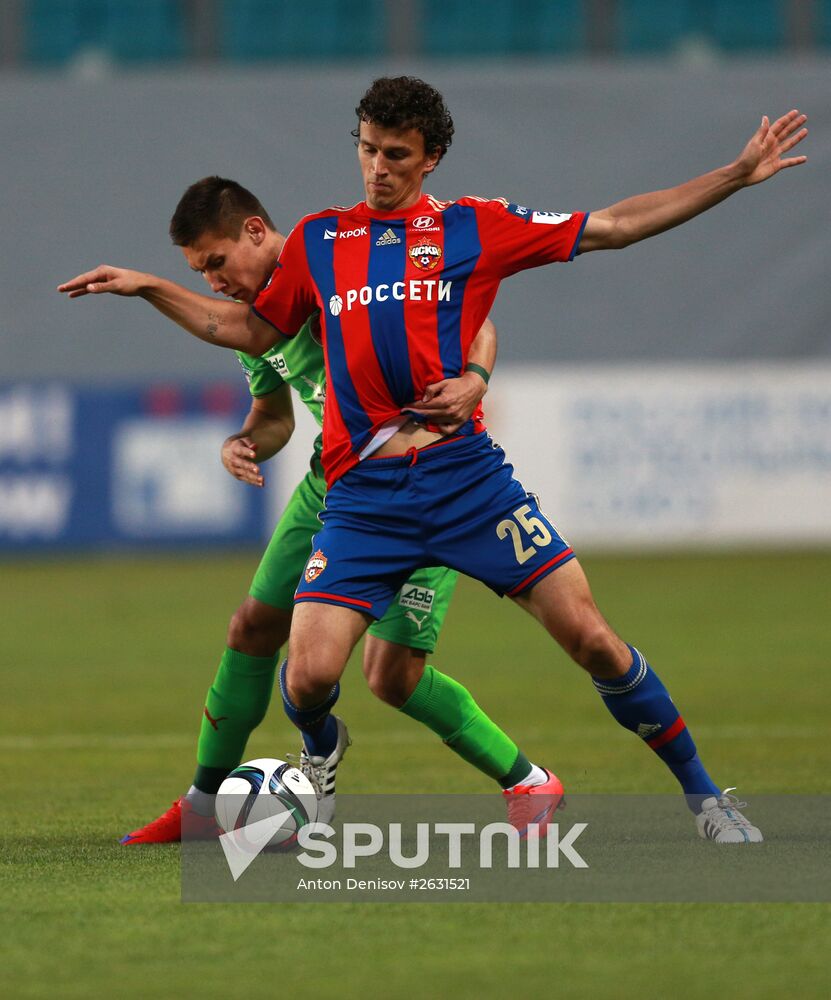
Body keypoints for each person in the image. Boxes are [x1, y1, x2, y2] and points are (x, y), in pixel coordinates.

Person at [61, 77, 808, 843]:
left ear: (430, 158)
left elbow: (612, 225)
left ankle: (706, 798)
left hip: (464, 482)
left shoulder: (474, 228)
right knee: (308, 676)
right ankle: (318, 758)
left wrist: (731, 176)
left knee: (591, 639)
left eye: (394, 154)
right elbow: (249, 330)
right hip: (363, 498)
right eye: (365, 149)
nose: (376, 168)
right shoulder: (322, 239)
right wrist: (150, 287)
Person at [71, 177, 563, 845]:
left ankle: (526, 781)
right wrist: (245, 441)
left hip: (423, 483)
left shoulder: (338, 261)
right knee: (251, 627)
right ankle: (200, 805)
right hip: (330, 490)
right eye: (200, 273)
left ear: (253, 231)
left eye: (216, 263)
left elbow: (477, 322)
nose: (215, 282)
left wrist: (474, 380)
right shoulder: (260, 316)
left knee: (392, 676)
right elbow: (273, 415)